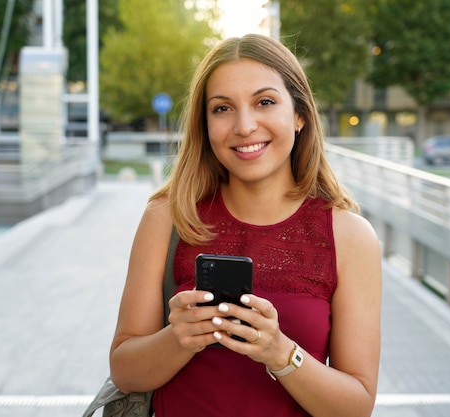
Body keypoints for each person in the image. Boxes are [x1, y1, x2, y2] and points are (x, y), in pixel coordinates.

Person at [109, 33, 382, 417]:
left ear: (299, 114)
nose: (244, 125)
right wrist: (179, 338)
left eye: (265, 102)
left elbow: (356, 407)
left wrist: (280, 352)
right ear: (205, 124)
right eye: (222, 108)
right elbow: (124, 370)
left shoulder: (350, 237)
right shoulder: (167, 217)